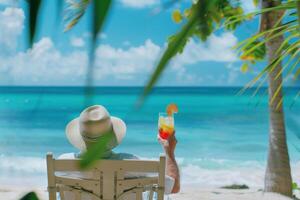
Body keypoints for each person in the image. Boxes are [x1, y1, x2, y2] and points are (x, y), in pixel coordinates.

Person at [59, 105, 180, 199]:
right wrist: (169, 150)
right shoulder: (131, 163)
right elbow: (173, 187)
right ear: (111, 136)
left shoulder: (63, 163)